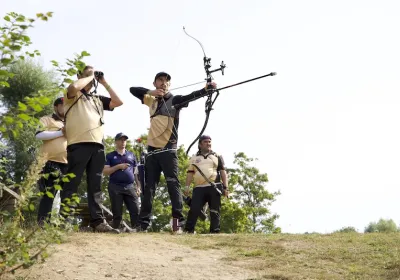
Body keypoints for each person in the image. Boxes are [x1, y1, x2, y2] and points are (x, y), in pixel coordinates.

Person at [129, 72, 217, 232]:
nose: (164, 83)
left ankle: (177, 225)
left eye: (167, 81)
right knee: (149, 189)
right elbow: (132, 90)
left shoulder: (175, 100)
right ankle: (143, 225)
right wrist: (151, 92)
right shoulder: (151, 100)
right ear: (155, 83)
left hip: (168, 151)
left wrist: (206, 89)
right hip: (152, 153)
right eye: (160, 80)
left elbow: (191, 96)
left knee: (173, 186)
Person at [60, 65, 123, 233]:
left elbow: (118, 102)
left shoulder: (96, 98)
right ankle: (64, 220)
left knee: (95, 185)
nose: (91, 77)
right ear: (79, 75)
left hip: (98, 146)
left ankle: (98, 221)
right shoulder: (72, 96)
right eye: (87, 74)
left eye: (92, 74)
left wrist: (103, 82)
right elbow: (73, 87)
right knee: (72, 183)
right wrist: (89, 76)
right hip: (78, 144)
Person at [183, 135, 229, 234]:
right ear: (200, 144)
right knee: (194, 209)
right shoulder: (194, 158)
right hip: (199, 187)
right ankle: (188, 230)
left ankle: (214, 231)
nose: (208, 143)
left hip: (214, 186)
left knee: (214, 210)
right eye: (206, 142)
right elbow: (190, 173)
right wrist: (187, 187)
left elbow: (223, 172)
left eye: (209, 141)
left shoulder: (217, 156)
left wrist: (226, 187)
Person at [35, 97, 68, 226]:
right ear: (56, 107)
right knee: (49, 194)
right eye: (62, 105)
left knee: (66, 196)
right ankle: (42, 224)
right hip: (50, 162)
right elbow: (38, 135)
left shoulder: (70, 122)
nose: (65, 108)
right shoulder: (46, 119)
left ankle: (63, 224)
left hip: (67, 164)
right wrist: (60, 132)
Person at [103, 133, 141, 231]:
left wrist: (138, 186)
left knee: (135, 209)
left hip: (130, 186)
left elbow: (136, 173)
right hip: (115, 187)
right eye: (121, 140)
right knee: (117, 213)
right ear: (116, 141)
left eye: (124, 140)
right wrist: (118, 167)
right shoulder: (110, 156)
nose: (123, 142)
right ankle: (116, 230)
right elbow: (105, 172)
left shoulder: (131, 155)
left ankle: (136, 229)